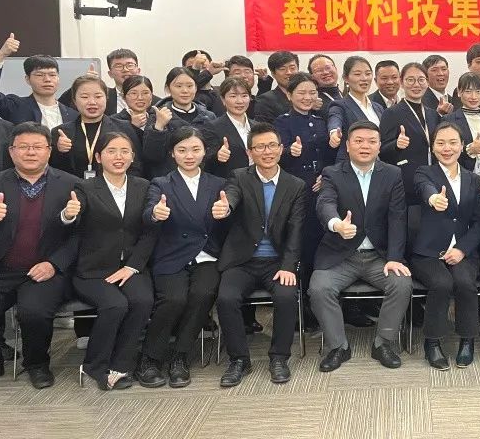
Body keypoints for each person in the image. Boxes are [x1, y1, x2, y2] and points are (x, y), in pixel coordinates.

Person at [309, 120, 411, 372]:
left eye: (372, 141)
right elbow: (325, 203)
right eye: (359, 141)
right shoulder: (332, 173)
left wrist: (395, 257)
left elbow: (397, 218)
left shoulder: (392, 174)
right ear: (347, 145)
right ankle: (338, 346)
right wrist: (336, 224)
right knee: (319, 288)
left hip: (379, 256)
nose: (365, 146)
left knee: (401, 284)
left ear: (379, 146)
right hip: (341, 255)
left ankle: (383, 343)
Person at [211, 123, 305, 386]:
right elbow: (231, 196)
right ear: (250, 152)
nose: (267, 151)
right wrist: (226, 207)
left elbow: (296, 230)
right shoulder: (239, 177)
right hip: (242, 261)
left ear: (281, 149)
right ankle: (239, 360)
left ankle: (279, 358)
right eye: (260, 147)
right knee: (226, 298)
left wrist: (288, 266)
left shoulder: (295, 185)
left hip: (277, 261)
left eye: (272, 145)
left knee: (286, 296)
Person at [138, 126, 228, 388]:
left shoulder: (218, 184)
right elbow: (148, 213)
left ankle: (180, 356)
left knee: (202, 294)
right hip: (172, 254)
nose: (189, 155)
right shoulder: (161, 183)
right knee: (174, 299)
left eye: (195, 149)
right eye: (182, 150)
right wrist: (155, 214)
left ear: (205, 152)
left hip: (206, 254)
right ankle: (150, 358)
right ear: (172, 153)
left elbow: (228, 218)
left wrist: (226, 212)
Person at [68, 131, 154, 390]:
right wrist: (69, 214)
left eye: (124, 151)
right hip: (93, 268)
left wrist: (133, 266)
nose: (119, 157)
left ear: (132, 156)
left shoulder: (143, 186)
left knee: (142, 301)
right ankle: (94, 365)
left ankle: (121, 363)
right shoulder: (84, 188)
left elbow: (150, 232)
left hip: (130, 266)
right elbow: (74, 219)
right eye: (111, 151)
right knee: (115, 305)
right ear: (98, 157)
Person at [0, 123, 80, 388]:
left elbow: (82, 236)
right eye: (23, 147)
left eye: (37, 146)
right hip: (3, 268)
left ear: (49, 150)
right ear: (11, 151)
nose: (30, 152)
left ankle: (37, 364)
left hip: (45, 269)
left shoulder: (71, 185)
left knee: (34, 312)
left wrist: (54, 264)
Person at [410, 122, 480, 370]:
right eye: (440, 143)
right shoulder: (424, 173)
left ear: (462, 146)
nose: (447, 148)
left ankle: (467, 339)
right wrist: (434, 198)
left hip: (463, 250)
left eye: (453, 142)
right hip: (428, 252)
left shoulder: (473, 179)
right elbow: (425, 189)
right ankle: (432, 342)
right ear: (432, 147)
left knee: (465, 283)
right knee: (441, 283)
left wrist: (462, 249)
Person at [275, 73, 333, 291]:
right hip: (297, 188)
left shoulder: (320, 121)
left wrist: (325, 174)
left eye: (312, 93)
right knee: (302, 240)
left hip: (321, 185)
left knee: (322, 238)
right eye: (301, 93)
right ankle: (302, 295)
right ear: (289, 95)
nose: (307, 97)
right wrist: (290, 151)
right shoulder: (282, 122)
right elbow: (276, 156)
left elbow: (328, 155)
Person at [380, 62, 440, 239]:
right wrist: (396, 145)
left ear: (427, 82)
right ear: (401, 82)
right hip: (405, 183)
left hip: (432, 180)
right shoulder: (392, 113)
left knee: (429, 232)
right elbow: (381, 151)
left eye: (421, 80)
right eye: (410, 80)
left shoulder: (433, 114)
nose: (416, 85)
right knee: (408, 233)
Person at [50, 75, 143, 179]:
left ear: (106, 98)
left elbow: (136, 166)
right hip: (74, 187)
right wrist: (59, 151)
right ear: (75, 101)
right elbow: (53, 172)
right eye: (85, 97)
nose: (92, 102)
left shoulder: (125, 128)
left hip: (113, 187)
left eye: (98, 96)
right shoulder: (61, 132)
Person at [141, 67, 217, 178]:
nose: (185, 91)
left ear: (196, 88)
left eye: (190, 86)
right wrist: (159, 127)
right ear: (168, 88)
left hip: (202, 179)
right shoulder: (158, 115)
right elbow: (151, 156)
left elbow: (212, 152)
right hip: (168, 180)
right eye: (178, 86)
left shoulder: (209, 117)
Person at [0, 45, 77, 128]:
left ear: (58, 78)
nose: (47, 79)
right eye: (39, 75)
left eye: (52, 75)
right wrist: (1, 55)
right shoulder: (16, 106)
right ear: (28, 79)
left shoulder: (73, 115)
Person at [58, 48, 154, 115]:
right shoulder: (101, 97)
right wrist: (84, 83)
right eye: (119, 66)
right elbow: (63, 105)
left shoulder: (155, 102)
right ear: (110, 73)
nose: (125, 69)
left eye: (130, 65)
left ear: (138, 70)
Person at [327, 55, 385, 163]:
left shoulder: (378, 107)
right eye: (357, 74)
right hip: (350, 165)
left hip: (376, 166)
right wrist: (334, 133)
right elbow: (335, 120)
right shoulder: (339, 105)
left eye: (368, 73)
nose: (364, 78)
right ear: (346, 78)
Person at [203, 77, 254, 178]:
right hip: (228, 182)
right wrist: (217, 156)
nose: (240, 101)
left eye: (244, 96)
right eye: (233, 96)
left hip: (256, 182)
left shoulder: (258, 127)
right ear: (223, 100)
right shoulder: (212, 127)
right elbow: (205, 161)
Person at [254, 51, 299, 123]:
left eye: (292, 68)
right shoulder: (265, 101)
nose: (289, 72)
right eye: (282, 69)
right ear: (273, 74)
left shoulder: (309, 96)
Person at [308, 54, 342, 118]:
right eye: (319, 70)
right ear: (312, 76)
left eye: (328, 68)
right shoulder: (313, 102)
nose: (325, 72)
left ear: (335, 69)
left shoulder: (346, 94)